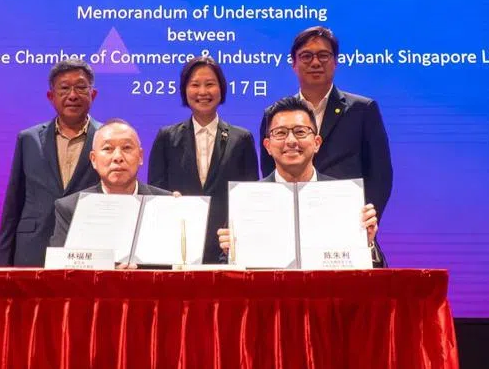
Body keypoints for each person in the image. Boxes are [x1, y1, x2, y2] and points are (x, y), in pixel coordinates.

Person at [227, 96, 383, 266]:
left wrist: (367, 243)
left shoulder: (345, 198)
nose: (291, 141)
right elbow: (229, 278)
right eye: (280, 133)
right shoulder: (245, 201)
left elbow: (372, 273)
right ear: (268, 146)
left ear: (317, 142)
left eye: (300, 132)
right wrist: (231, 254)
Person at [260, 26, 393, 218]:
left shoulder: (362, 110)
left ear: (335, 62)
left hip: (345, 219)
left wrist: (364, 225)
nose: (315, 62)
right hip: (288, 221)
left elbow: (380, 176)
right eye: (306, 56)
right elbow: (271, 173)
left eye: (323, 55)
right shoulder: (274, 115)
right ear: (294, 64)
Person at [148, 57, 259, 263]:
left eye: (210, 84)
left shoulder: (241, 138)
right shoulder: (166, 137)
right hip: (178, 247)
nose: (202, 92)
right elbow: (156, 193)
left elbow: (249, 195)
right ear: (184, 90)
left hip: (226, 247)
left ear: (221, 89)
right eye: (195, 85)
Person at [0, 59, 102, 267]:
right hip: (33, 249)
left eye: (80, 87)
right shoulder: (28, 139)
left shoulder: (106, 138)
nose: (72, 95)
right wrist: (2, 264)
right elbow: (13, 204)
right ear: (51, 96)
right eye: (64, 88)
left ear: (93, 94)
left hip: (89, 249)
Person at [50, 119, 172, 251]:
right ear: (94, 159)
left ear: (140, 157)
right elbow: (60, 266)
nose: (118, 157)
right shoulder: (70, 208)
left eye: (126, 148)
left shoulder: (166, 204)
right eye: (108, 148)